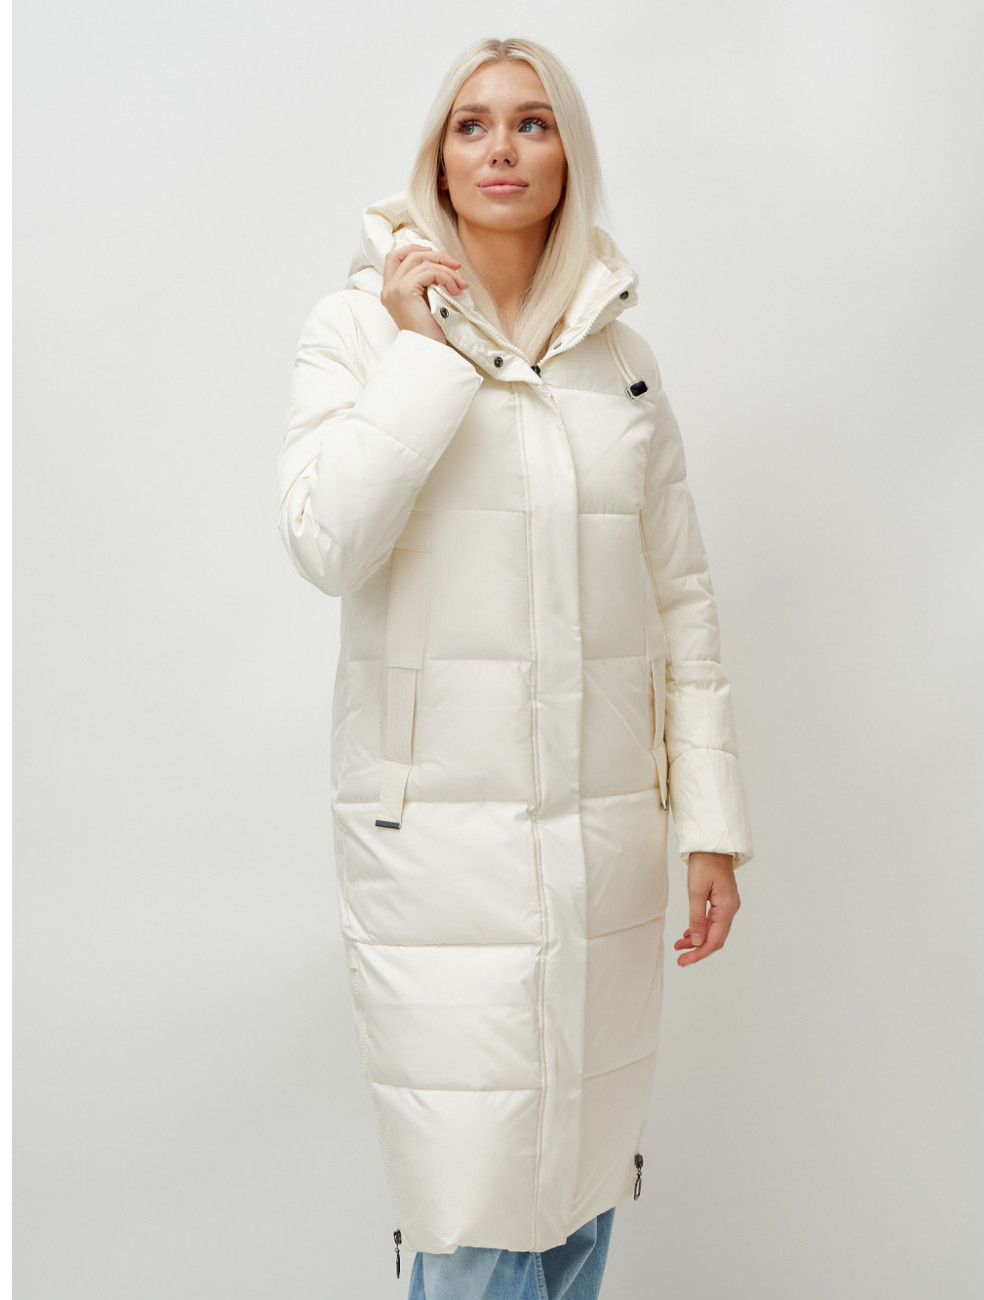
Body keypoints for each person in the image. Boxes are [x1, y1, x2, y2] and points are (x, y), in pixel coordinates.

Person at [277, 35, 754, 1300]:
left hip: (602, 840)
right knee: (477, 1209)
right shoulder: (355, 330)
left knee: (580, 1200)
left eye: (532, 123)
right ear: (437, 158)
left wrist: (709, 823)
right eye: (473, 124)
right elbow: (326, 541)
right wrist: (426, 350)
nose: (502, 148)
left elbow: (681, 598)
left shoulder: (622, 362)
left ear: (566, 155)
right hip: (439, 847)